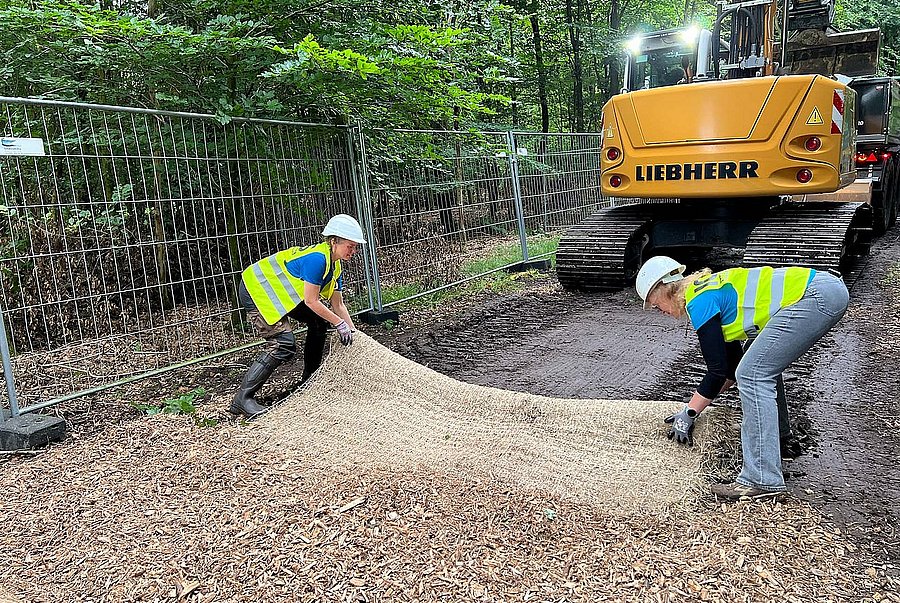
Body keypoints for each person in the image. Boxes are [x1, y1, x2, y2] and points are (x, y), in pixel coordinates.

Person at [635, 256, 849, 500]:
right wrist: (696, 407)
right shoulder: (705, 288)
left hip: (815, 296)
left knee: (754, 373)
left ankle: (762, 479)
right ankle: (778, 439)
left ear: (665, 288)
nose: (658, 311)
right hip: (823, 289)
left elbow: (716, 372)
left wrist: (689, 412)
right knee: (755, 364)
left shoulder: (699, 301)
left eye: (655, 304)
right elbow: (729, 370)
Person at [230, 214, 366, 418]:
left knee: (319, 323)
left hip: (279, 294)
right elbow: (312, 301)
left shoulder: (334, 265)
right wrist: (339, 324)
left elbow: (338, 304)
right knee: (283, 343)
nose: (353, 251)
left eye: (355, 247)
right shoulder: (317, 260)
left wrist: (353, 332)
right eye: (350, 246)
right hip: (257, 290)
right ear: (333, 241)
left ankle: (309, 381)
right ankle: (243, 399)